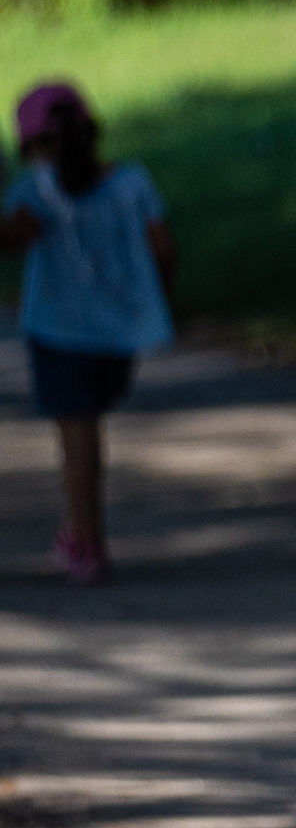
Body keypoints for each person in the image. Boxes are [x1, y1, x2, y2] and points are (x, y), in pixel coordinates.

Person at [2, 84, 173, 587]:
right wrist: (159, 303)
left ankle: (87, 541)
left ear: (33, 146)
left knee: (78, 442)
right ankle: (78, 530)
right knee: (90, 430)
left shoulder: (37, 194)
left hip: (59, 332)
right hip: (121, 332)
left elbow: (9, 241)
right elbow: (163, 247)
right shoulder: (133, 183)